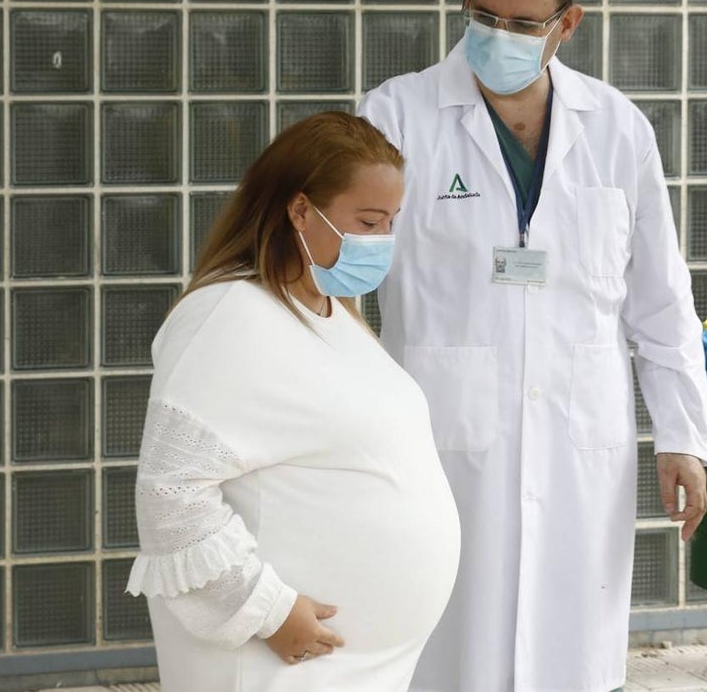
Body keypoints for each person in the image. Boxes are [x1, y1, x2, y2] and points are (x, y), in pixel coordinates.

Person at [358, 0, 707, 690]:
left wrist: (682, 434)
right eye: (485, 16)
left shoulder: (618, 129)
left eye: (524, 25)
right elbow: (338, 273)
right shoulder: (397, 117)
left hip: (578, 448)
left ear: (568, 23)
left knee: (570, 657)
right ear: (462, 4)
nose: (499, 37)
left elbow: (660, 295)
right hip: (442, 449)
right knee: (444, 659)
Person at [125, 112, 461, 691]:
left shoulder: (334, 312)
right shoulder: (228, 316)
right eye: (368, 221)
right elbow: (170, 493)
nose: (381, 242)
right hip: (275, 660)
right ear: (301, 210)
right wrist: (267, 611)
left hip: (352, 668)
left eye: (390, 224)